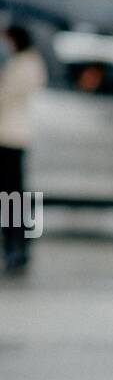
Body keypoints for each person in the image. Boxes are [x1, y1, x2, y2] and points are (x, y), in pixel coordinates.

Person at [0, 23, 47, 274]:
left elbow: (6, 97)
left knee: (12, 195)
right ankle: (16, 245)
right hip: (12, 136)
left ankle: (16, 246)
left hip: (10, 137)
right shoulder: (22, 62)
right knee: (13, 195)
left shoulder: (24, 64)